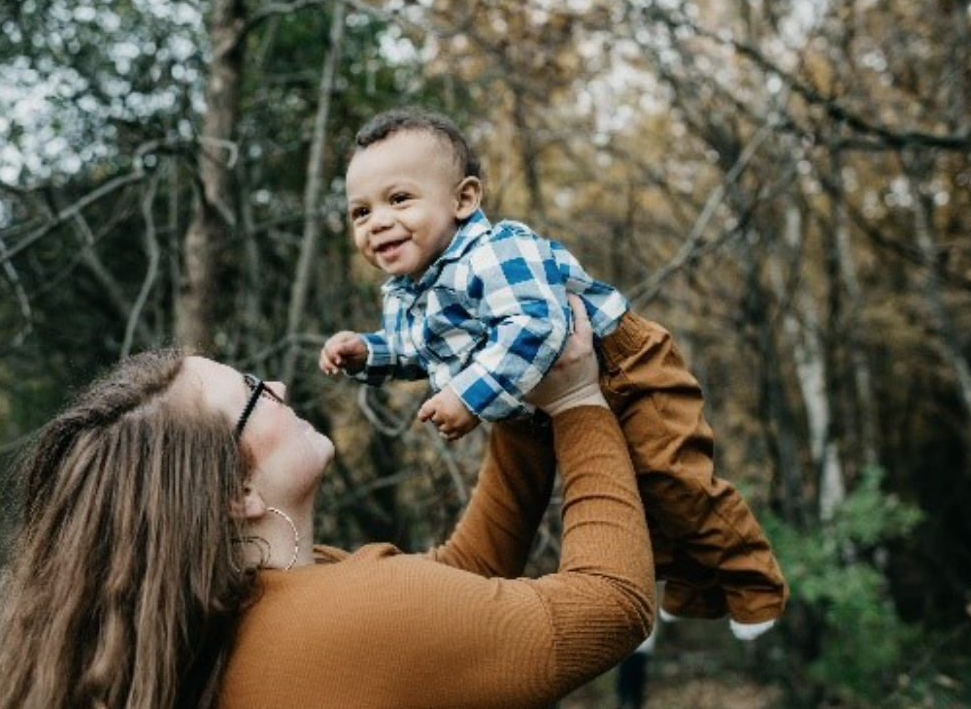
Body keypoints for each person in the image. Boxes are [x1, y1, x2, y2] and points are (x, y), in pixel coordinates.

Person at [0, 298, 656, 709]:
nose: (279, 388)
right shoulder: (352, 618)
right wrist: (575, 400)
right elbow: (614, 603)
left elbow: (463, 581)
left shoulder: (224, 620)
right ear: (235, 494)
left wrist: (512, 385)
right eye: (251, 395)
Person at [319, 107, 786, 634]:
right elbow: (417, 353)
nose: (377, 221)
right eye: (360, 212)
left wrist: (467, 398)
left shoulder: (494, 253)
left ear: (464, 199)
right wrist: (368, 352)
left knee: (670, 476)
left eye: (399, 199)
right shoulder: (407, 295)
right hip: (539, 398)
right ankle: (697, 583)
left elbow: (536, 327)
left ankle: (755, 578)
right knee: (634, 494)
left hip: (626, 369)